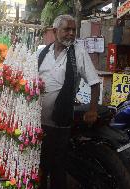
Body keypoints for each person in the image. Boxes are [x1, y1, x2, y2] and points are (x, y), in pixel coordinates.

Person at [38, 15, 101, 189]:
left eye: (74, 30)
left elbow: (95, 84)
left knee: (58, 168)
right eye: (67, 29)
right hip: (37, 121)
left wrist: (93, 110)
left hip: (60, 123)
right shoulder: (43, 52)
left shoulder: (78, 52)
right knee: (39, 166)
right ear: (54, 31)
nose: (71, 34)